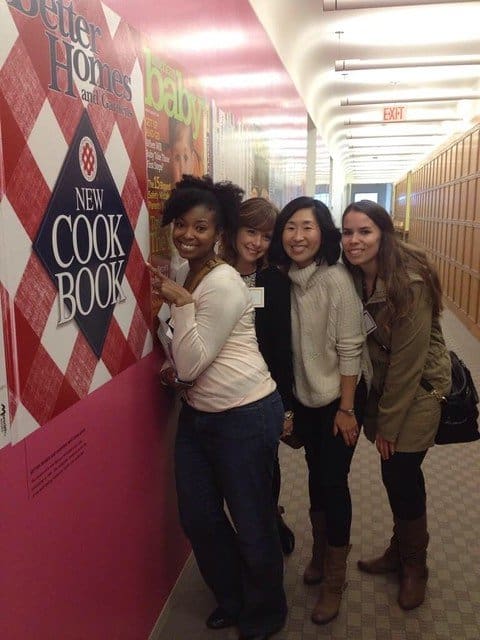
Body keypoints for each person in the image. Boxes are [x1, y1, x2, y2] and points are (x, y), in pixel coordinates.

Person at [149, 175, 287, 640]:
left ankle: (266, 612)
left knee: (251, 520)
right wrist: (172, 365)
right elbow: (181, 356)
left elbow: (192, 361)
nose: (189, 234)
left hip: (246, 413)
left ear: (219, 231)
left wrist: (184, 308)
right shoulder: (182, 268)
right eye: (182, 224)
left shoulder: (224, 282)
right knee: (199, 517)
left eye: (202, 227)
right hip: (200, 413)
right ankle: (233, 597)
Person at [341, 199, 451, 611]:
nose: (355, 240)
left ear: (383, 234)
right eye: (348, 232)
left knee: (403, 473)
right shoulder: (354, 276)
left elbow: (408, 362)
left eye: (365, 232)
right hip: (384, 385)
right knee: (394, 474)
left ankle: (414, 567)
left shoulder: (411, 282)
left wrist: (387, 424)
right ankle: (399, 549)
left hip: (419, 388)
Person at [269, 196, 369, 625]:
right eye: (290, 227)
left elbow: (351, 347)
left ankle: (334, 578)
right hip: (308, 398)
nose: (298, 236)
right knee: (315, 477)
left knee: (333, 481)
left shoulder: (336, 280)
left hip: (341, 398)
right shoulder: (287, 279)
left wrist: (346, 410)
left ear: (322, 232)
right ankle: (318, 552)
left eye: (307, 226)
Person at [220, 196, 295, 555]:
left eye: (266, 236)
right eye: (251, 232)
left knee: (266, 468)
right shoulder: (214, 273)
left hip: (262, 393)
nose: (256, 243)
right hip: (219, 390)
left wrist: (286, 407)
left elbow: (282, 348)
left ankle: (270, 519)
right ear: (234, 230)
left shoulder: (275, 281)